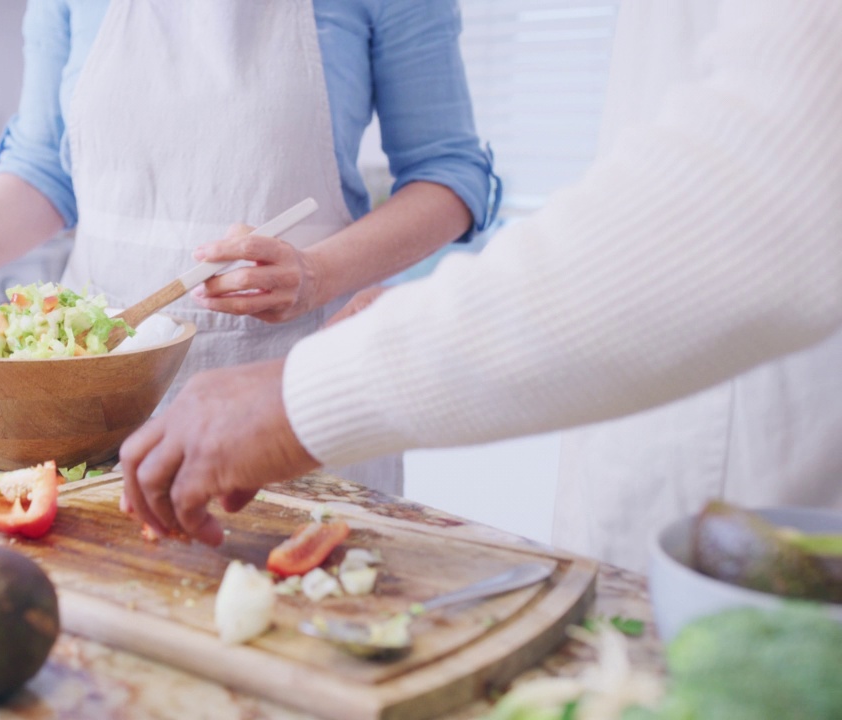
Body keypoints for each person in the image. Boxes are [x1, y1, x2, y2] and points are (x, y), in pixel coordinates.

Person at [118, 0, 842, 572]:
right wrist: (422, 318)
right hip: (661, 449)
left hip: (770, 466)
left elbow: (772, 190)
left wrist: (304, 392)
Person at [0, 0, 496, 496]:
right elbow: (46, 165)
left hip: (292, 386)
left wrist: (317, 273)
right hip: (88, 392)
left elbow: (451, 177)